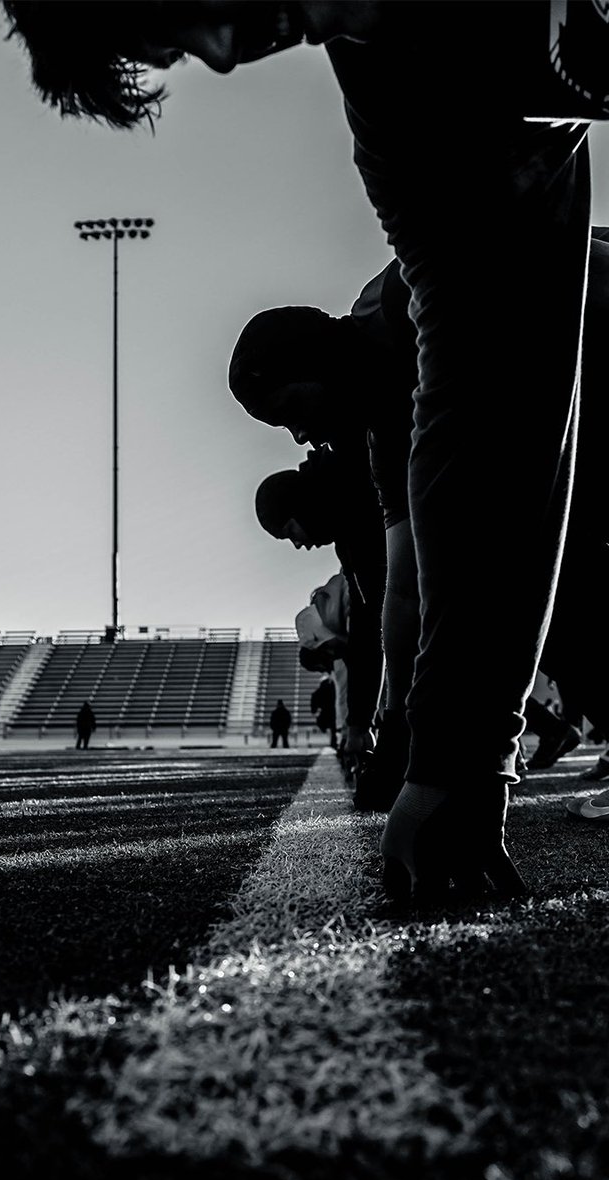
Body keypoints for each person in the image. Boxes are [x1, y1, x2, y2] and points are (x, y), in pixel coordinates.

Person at [0, 0, 609, 906]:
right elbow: (489, 418)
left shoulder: (387, 331)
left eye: (169, 9)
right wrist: (454, 756)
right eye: (175, 49)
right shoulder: (408, 123)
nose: (217, 50)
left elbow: (415, 559)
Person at [232, 227, 609, 811]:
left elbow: (561, 260)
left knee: (559, 560)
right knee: (539, 572)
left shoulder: (397, 311)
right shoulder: (385, 440)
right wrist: (405, 743)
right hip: (561, 401)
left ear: (317, 366)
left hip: (588, 324)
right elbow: (404, 595)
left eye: (289, 411)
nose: (301, 435)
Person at [255, 446, 386, 784]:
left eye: (290, 532)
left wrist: (358, 725)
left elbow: (369, 628)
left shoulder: (359, 499)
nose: (298, 544)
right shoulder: (349, 527)